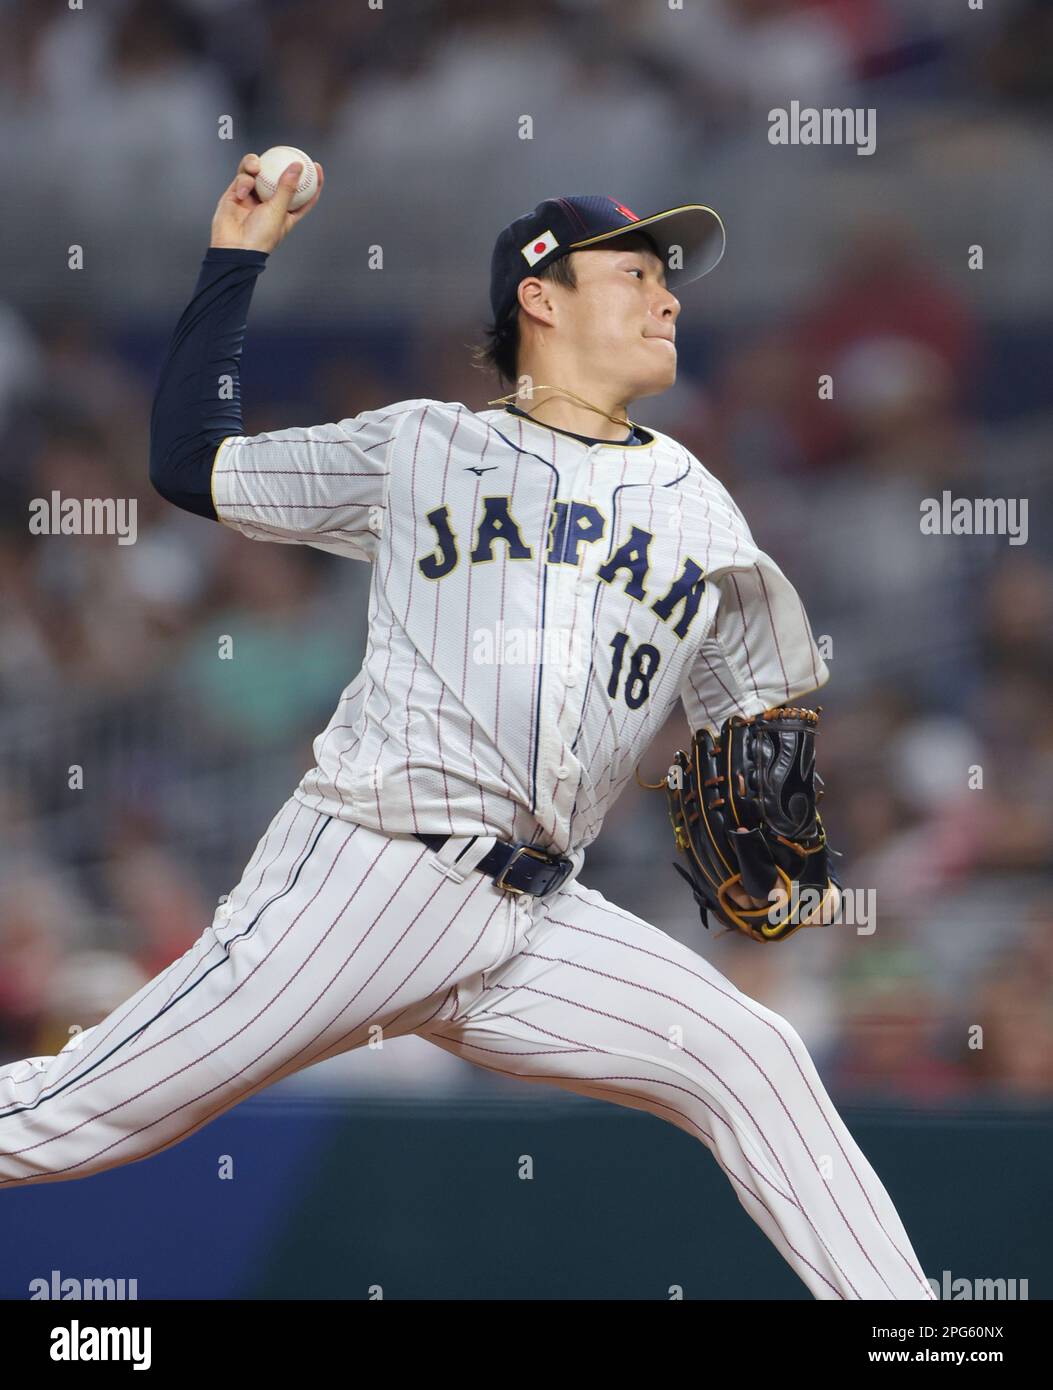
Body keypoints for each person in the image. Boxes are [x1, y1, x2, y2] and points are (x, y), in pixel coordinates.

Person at [0, 155, 936, 1301]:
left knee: (754, 1057)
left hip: (538, 921)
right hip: (370, 874)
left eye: (668, 279)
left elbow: (763, 720)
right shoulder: (426, 447)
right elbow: (193, 464)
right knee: (73, 1116)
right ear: (539, 296)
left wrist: (775, 791)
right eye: (636, 273)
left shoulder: (704, 506)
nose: (670, 297)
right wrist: (237, 255)